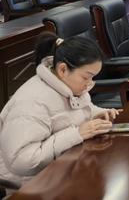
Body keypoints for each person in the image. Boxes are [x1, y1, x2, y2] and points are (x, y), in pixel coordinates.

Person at [0, 33, 118, 188]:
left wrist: (96, 114)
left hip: (64, 169)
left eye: (93, 77)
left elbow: (76, 110)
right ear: (63, 70)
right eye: (86, 77)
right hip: (30, 183)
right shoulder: (32, 103)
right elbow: (21, 162)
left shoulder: (67, 85)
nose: (89, 84)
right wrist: (76, 133)